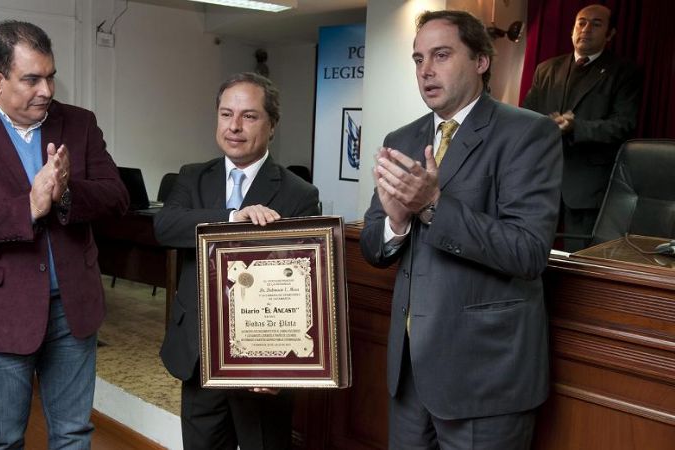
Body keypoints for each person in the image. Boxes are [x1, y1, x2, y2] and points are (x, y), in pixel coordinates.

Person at [360, 10, 562, 449]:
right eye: (417, 59)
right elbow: (374, 246)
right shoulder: (403, 138)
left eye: (441, 55)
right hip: (410, 374)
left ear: (481, 61)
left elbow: (528, 252)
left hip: (483, 378)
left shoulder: (528, 133)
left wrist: (432, 205)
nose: (425, 70)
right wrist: (396, 222)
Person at [0, 21, 129, 448]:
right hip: (2, 311)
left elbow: (117, 197)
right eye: (32, 79)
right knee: (2, 440)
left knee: (73, 433)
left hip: (72, 308)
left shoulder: (79, 124)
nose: (47, 90)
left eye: (50, 75)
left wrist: (68, 191)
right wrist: (28, 207)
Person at [155, 72, 320, 450]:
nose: (234, 126)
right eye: (226, 114)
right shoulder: (192, 177)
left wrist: (283, 368)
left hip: (261, 365)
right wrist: (231, 219)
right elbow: (165, 227)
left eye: (249, 116)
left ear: (272, 124)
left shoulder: (299, 194)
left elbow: (304, 285)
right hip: (199, 355)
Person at [522, 4, 641, 251]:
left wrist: (576, 127)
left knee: (580, 260)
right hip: (542, 179)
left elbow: (623, 125)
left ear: (610, 34)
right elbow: (526, 116)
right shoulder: (546, 68)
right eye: (581, 22)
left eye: (596, 24)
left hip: (588, 186)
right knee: (531, 253)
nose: (586, 29)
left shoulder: (624, 72)